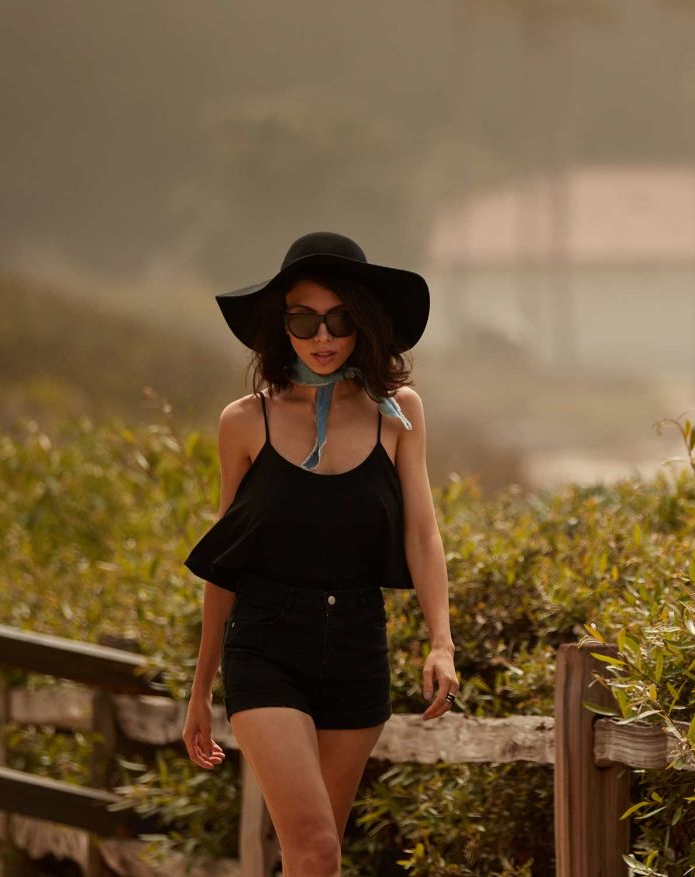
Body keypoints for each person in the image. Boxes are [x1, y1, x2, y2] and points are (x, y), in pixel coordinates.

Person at [180, 231, 459, 876]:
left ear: (364, 322)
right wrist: (201, 688)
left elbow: (422, 532)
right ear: (283, 327)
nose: (323, 337)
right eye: (304, 321)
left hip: (358, 644)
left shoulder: (399, 413)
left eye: (339, 319)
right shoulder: (244, 421)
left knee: (315, 860)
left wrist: (441, 641)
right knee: (315, 847)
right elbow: (226, 556)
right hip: (266, 644)